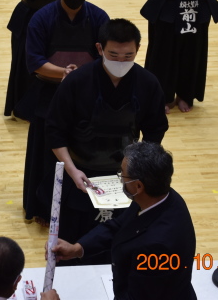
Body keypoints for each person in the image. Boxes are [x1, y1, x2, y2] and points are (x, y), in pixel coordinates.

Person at [44, 19, 168, 259]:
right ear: (100, 48)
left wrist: (138, 170)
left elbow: (155, 130)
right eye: (113, 55)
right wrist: (72, 170)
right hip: (80, 172)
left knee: (121, 244)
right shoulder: (77, 81)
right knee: (74, 240)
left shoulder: (148, 83)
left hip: (125, 175)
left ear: (138, 49)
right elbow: (54, 129)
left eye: (128, 55)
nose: (121, 62)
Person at [19, 0, 109, 225]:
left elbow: (105, 57)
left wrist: (81, 77)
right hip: (49, 93)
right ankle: (42, 208)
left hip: (86, 97)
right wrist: (64, 73)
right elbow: (35, 61)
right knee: (45, 154)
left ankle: (81, 208)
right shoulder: (42, 18)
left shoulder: (99, 18)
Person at [51, 142, 197, 299]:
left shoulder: (156, 247)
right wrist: (78, 248)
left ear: (138, 186)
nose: (120, 178)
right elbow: (118, 226)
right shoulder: (158, 196)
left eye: (122, 174)